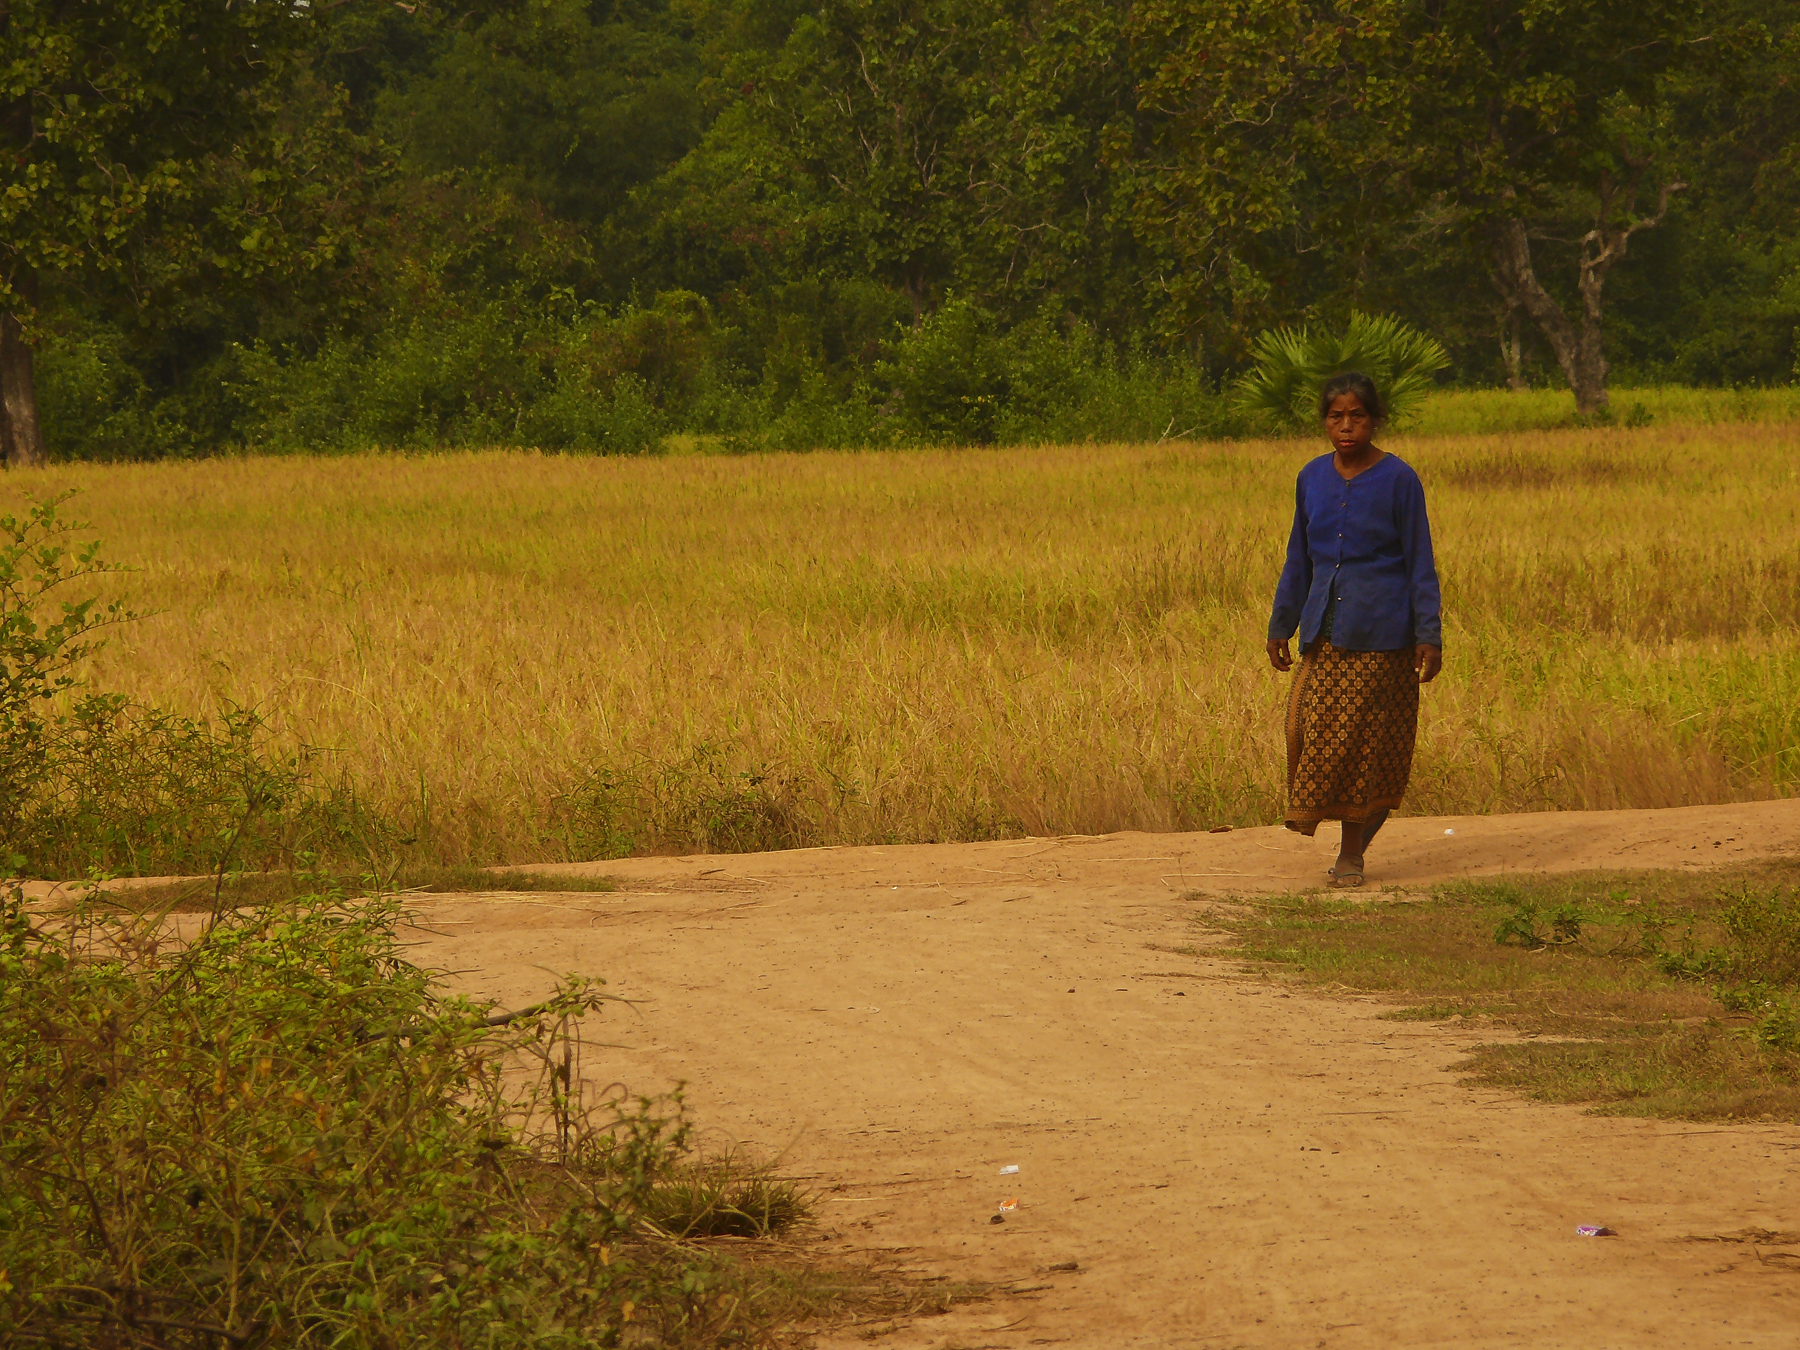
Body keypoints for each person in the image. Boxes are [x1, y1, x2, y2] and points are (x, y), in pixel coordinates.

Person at [1265, 372, 1442, 887]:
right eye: (1335, 416)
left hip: (1384, 633)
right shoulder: (1311, 478)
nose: (1346, 426)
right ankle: (1338, 832)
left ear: (1374, 419)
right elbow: (1299, 555)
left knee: (1364, 747)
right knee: (1304, 727)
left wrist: (1428, 635)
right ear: (1324, 421)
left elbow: (1419, 562)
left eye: (1356, 416)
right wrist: (1282, 622)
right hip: (1324, 629)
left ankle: (1351, 853)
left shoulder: (1399, 479)